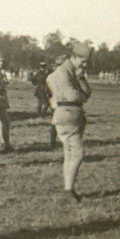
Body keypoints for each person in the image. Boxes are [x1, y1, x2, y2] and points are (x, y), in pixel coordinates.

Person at [47, 43, 93, 201]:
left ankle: (68, 188)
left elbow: (87, 93)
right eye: (83, 61)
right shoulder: (63, 72)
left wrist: (81, 80)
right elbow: (74, 96)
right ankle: (69, 189)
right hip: (67, 113)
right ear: (73, 57)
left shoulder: (71, 71)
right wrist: (83, 94)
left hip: (72, 114)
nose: (85, 65)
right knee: (78, 153)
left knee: (69, 153)